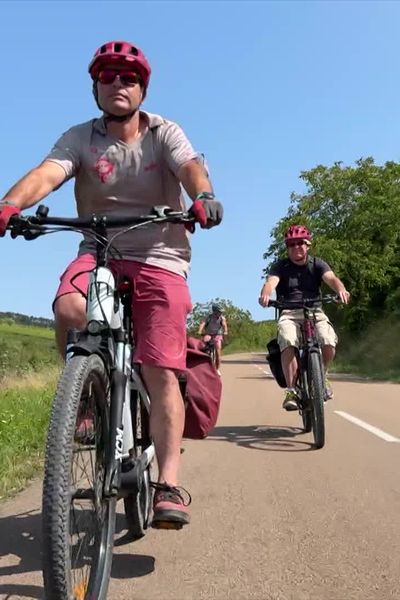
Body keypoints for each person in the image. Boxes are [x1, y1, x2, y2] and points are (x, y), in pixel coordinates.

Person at [0, 40, 223, 528]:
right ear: (96, 87)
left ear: (142, 87)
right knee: (68, 309)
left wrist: (202, 195)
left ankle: (167, 484)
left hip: (160, 254)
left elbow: (190, 168)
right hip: (99, 250)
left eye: (128, 77)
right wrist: (10, 203)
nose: (118, 84)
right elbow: (48, 173)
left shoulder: (164, 132)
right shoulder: (80, 137)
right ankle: (86, 397)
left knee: (161, 366)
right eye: (108, 77)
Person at [258, 225, 349, 410]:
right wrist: (266, 294)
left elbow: (331, 278)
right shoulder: (280, 266)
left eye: (300, 243)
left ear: (308, 245)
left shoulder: (317, 264)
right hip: (290, 312)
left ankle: (321, 377)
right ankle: (291, 390)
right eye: (291, 244)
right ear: (287, 248)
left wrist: (340, 289)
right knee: (287, 339)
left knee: (328, 340)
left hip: (315, 310)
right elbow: (270, 283)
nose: (296, 247)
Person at [198, 304, 228, 375]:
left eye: (221, 312)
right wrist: (199, 330)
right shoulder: (209, 317)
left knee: (218, 351)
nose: (220, 313)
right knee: (202, 346)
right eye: (219, 312)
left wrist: (226, 331)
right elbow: (203, 323)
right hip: (209, 334)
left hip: (218, 335)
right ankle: (202, 363)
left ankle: (217, 369)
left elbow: (224, 325)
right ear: (214, 311)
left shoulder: (222, 318)